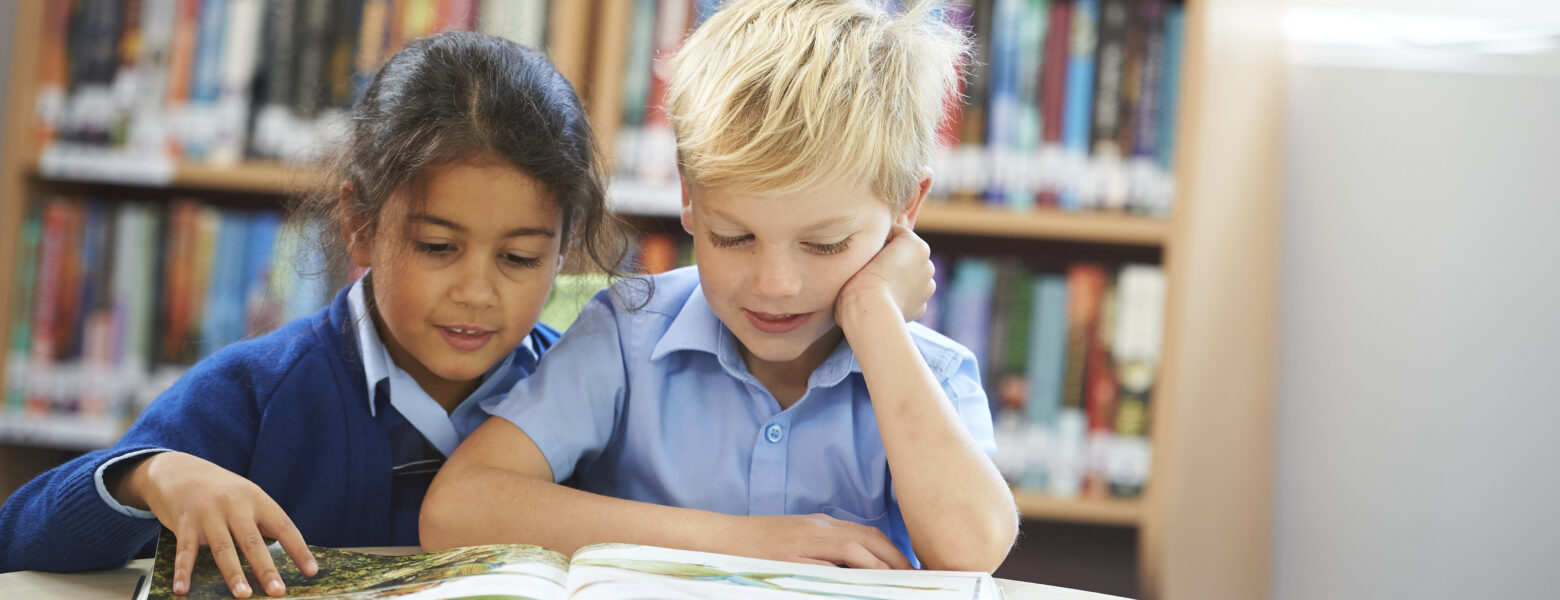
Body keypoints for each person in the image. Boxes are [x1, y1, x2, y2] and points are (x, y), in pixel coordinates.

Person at [0, 31, 623, 598]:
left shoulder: (586, 392)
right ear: (359, 223)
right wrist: (149, 477)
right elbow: (18, 542)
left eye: (519, 257)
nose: (477, 292)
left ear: (563, 250)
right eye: (438, 247)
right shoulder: (257, 392)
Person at [421, 0, 1017, 573]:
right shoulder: (628, 335)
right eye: (733, 237)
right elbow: (458, 509)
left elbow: (970, 550)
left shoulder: (927, 375)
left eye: (825, 245)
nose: (775, 285)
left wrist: (872, 314)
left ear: (906, 206)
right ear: (688, 196)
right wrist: (739, 542)